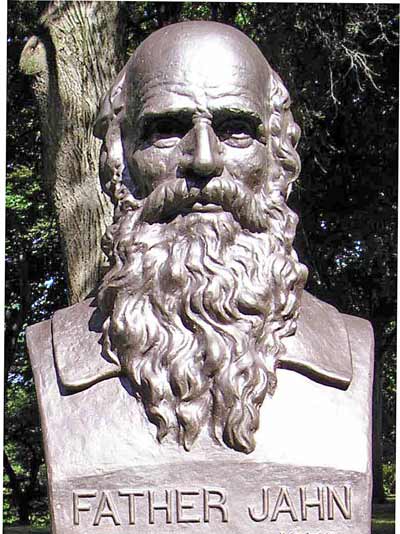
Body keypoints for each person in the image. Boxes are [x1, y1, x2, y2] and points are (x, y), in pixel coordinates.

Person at [27, 21, 372, 468]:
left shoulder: (348, 355)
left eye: (236, 131)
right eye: (167, 130)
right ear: (120, 162)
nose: (204, 160)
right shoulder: (59, 355)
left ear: (277, 161)